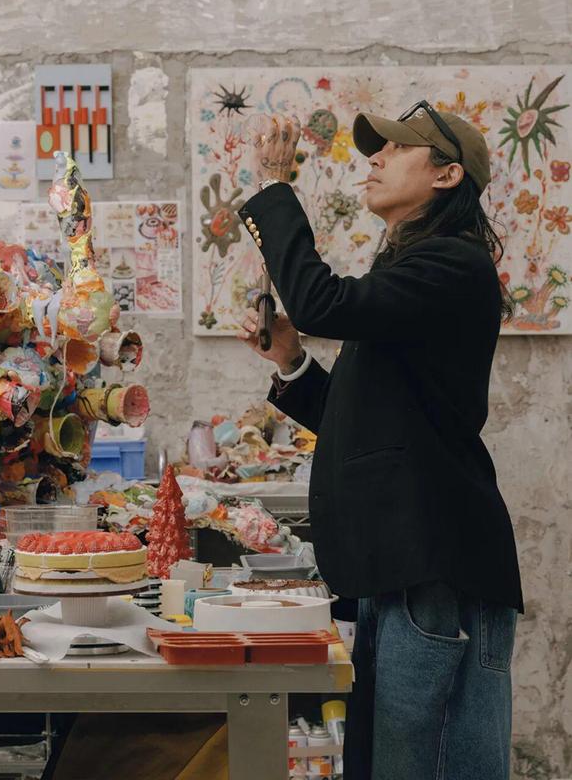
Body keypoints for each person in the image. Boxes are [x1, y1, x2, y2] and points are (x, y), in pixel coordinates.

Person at [236, 102, 524, 780]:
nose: (375, 158)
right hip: (401, 565)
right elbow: (367, 419)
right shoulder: (415, 272)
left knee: (424, 764)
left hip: (434, 564)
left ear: (447, 175)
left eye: (396, 149)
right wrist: (291, 362)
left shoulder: (453, 265)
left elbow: (322, 303)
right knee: (389, 762)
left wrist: (276, 188)